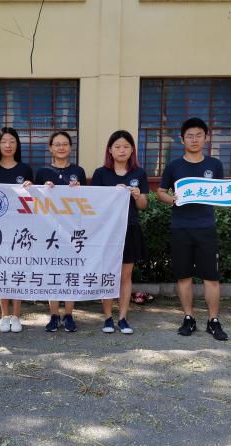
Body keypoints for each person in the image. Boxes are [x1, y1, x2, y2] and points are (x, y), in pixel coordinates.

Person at [156, 117, 228, 341]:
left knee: (211, 278)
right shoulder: (174, 166)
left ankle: (213, 321)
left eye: (198, 135)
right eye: (189, 136)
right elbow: (160, 193)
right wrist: (172, 199)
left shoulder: (215, 165)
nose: (194, 140)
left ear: (206, 138)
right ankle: (189, 318)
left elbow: (222, 193)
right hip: (181, 228)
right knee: (184, 276)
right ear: (182, 139)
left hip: (206, 228)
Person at [91, 130, 149, 334]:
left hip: (130, 228)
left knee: (125, 276)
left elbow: (143, 206)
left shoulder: (139, 173)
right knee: (108, 273)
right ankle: (108, 317)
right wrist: (111, 194)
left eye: (126, 146)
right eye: (117, 147)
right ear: (110, 150)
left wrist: (138, 195)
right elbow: (94, 204)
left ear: (132, 150)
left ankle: (123, 318)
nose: (122, 150)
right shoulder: (100, 173)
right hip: (107, 231)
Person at [0, 127, 33, 333]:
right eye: (4, 141)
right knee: (1, 269)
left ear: (17, 144)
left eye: (12, 141)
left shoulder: (25, 169)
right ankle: (4, 314)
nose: (8, 145)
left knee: (18, 269)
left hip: (20, 228)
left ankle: (17, 315)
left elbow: (34, 201)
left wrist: (31, 188)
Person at [35, 131, 86, 332]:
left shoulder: (78, 171)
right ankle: (54, 315)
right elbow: (35, 200)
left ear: (70, 147)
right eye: (57, 144)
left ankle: (69, 314)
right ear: (50, 148)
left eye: (65, 144)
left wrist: (80, 189)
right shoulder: (42, 172)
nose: (61, 147)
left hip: (72, 229)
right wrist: (43, 189)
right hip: (49, 230)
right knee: (52, 272)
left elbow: (87, 200)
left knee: (71, 270)